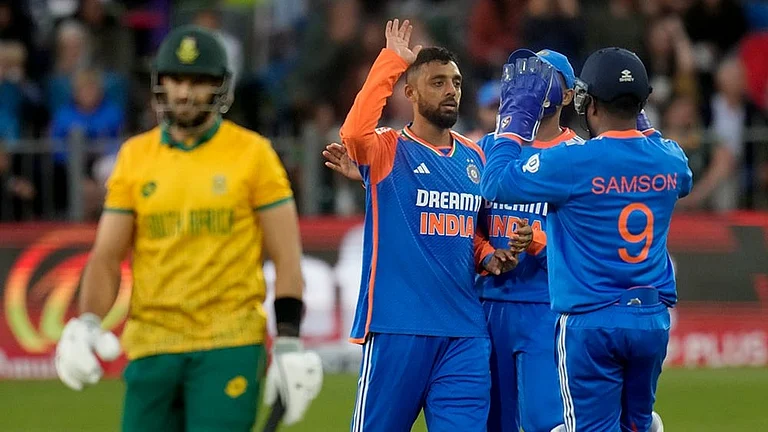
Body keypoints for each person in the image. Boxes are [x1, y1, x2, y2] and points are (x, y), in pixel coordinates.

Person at [53, 25, 322, 432]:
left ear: (221, 86)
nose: (184, 91)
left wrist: (287, 341)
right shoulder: (134, 157)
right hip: (151, 345)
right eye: (175, 78)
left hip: (228, 343)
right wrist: (87, 321)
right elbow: (107, 257)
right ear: (159, 83)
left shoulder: (253, 155)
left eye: (199, 80)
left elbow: (287, 256)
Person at [481, 47, 692, 432]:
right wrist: (642, 124)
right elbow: (682, 175)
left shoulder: (573, 162)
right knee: (638, 424)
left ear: (588, 104)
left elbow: (495, 183)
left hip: (592, 321)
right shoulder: (670, 159)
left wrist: (513, 121)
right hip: (650, 320)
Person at [339, 19, 517, 432]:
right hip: (399, 328)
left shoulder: (477, 158)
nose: (450, 90)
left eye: (454, 82)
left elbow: (472, 233)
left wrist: (489, 255)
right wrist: (391, 62)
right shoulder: (388, 151)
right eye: (437, 82)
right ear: (411, 93)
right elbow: (352, 135)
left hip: (465, 335)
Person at [474, 49, 581, 432]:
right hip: (487, 304)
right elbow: (463, 222)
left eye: (545, 73)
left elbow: (590, 244)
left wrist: (538, 239)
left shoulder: (581, 156)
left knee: (546, 422)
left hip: (548, 308)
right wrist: (487, 251)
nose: (532, 81)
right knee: (489, 423)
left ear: (567, 95)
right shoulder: (490, 147)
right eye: (527, 71)